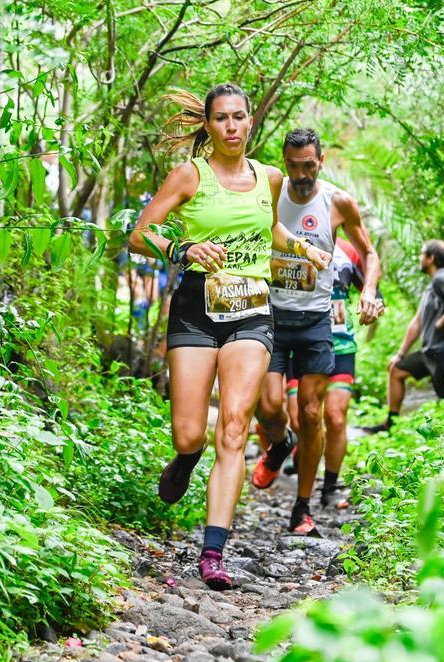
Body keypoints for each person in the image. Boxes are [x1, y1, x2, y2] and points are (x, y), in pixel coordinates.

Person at [129, 84, 331, 590]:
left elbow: (269, 231)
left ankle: (213, 551)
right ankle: (186, 457)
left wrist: (304, 250)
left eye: (240, 117)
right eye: (222, 119)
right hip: (197, 309)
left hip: (251, 311)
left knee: (235, 425)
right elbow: (139, 233)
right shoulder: (189, 175)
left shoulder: (270, 177)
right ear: (209, 125)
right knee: (189, 433)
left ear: (250, 122)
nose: (233, 127)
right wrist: (183, 248)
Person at [250, 128, 382, 536]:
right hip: (269, 315)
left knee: (311, 412)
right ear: (284, 162)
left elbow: (371, 254)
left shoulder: (337, 201)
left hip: (315, 322)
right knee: (269, 405)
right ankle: (280, 444)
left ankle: (302, 507)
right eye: (294, 166)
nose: (301, 174)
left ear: (321, 162)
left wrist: (370, 293)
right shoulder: (270, 191)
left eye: (309, 165)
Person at [363, 239, 444, 434]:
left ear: (431, 258)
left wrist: (442, 321)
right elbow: (416, 323)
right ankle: (390, 424)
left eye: (422, 254)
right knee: (397, 370)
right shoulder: (432, 286)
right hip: (430, 353)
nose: (419, 257)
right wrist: (400, 355)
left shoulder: (442, 277)